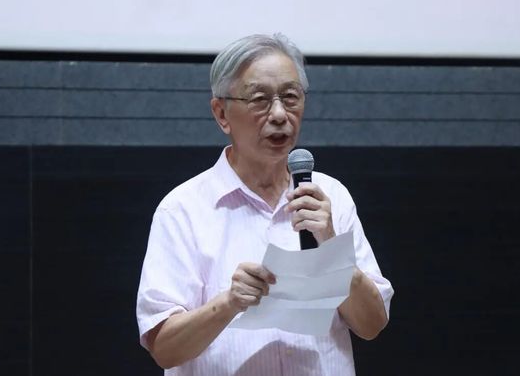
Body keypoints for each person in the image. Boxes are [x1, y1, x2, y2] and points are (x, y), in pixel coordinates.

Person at [136, 33, 394, 375]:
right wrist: (228, 304)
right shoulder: (182, 210)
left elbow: (372, 325)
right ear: (222, 113)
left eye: (290, 97)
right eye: (259, 99)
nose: (279, 114)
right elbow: (164, 349)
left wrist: (331, 247)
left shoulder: (331, 197)